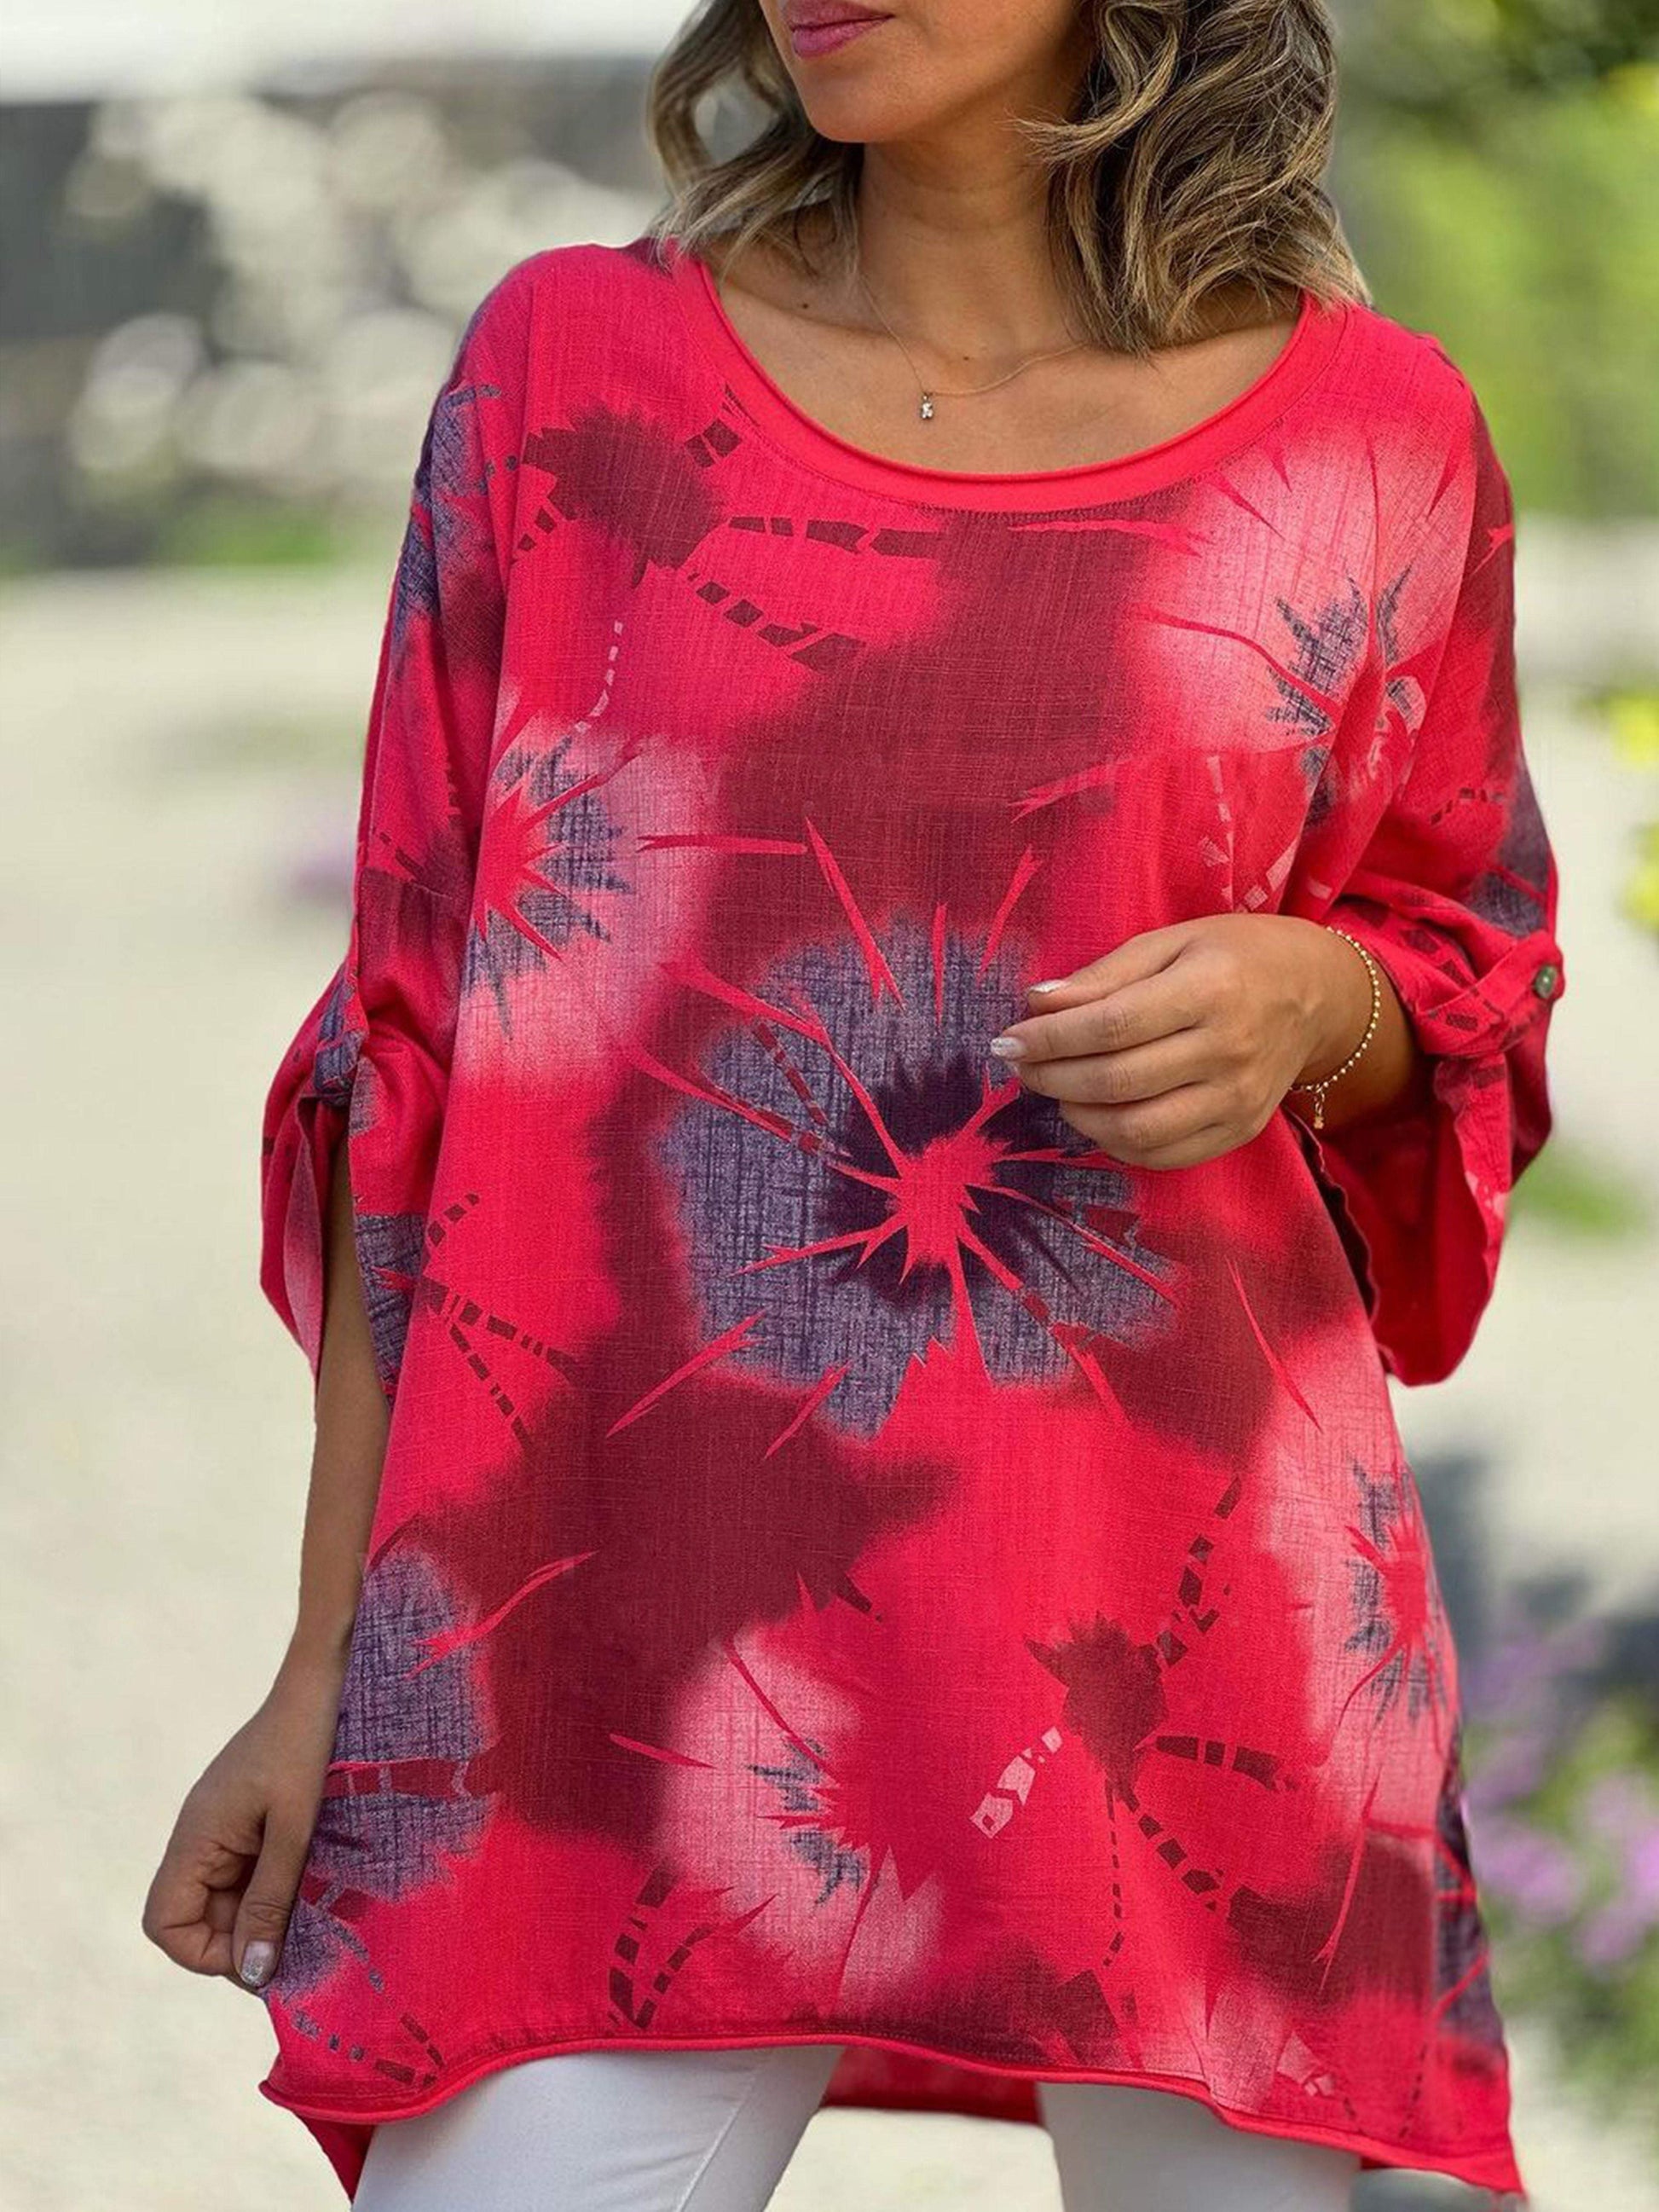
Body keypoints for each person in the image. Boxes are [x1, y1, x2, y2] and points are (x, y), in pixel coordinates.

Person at [142, 2, 1564, 2206]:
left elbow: (1461, 970)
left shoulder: (1374, 434)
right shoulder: (569, 374)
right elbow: (403, 1051)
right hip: (610, 1630)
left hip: (1186, 1636)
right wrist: (333, 1657)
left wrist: (1319, 998)